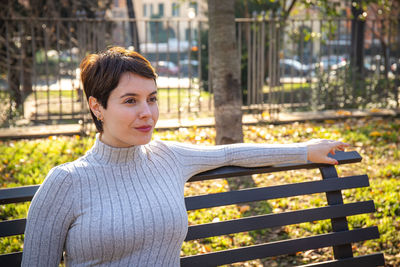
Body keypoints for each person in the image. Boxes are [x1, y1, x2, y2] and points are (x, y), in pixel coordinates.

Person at [22, 46, 349, 267]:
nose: (147, 113)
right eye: (131, 101)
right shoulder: (66, 182)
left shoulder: (167, 156)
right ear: (97, 107)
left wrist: (305, 150)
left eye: (152, 98)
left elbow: (231, 152)